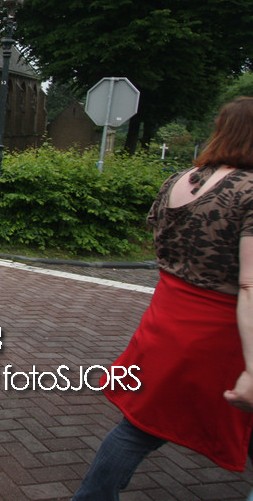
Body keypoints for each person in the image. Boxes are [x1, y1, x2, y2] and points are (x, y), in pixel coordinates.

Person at [72, 96, 253, 499]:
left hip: (167, 318)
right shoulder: (250, 191)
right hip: (221, 331)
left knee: (141, 425)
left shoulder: (178, 180)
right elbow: (249, 285)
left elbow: (159, 241)